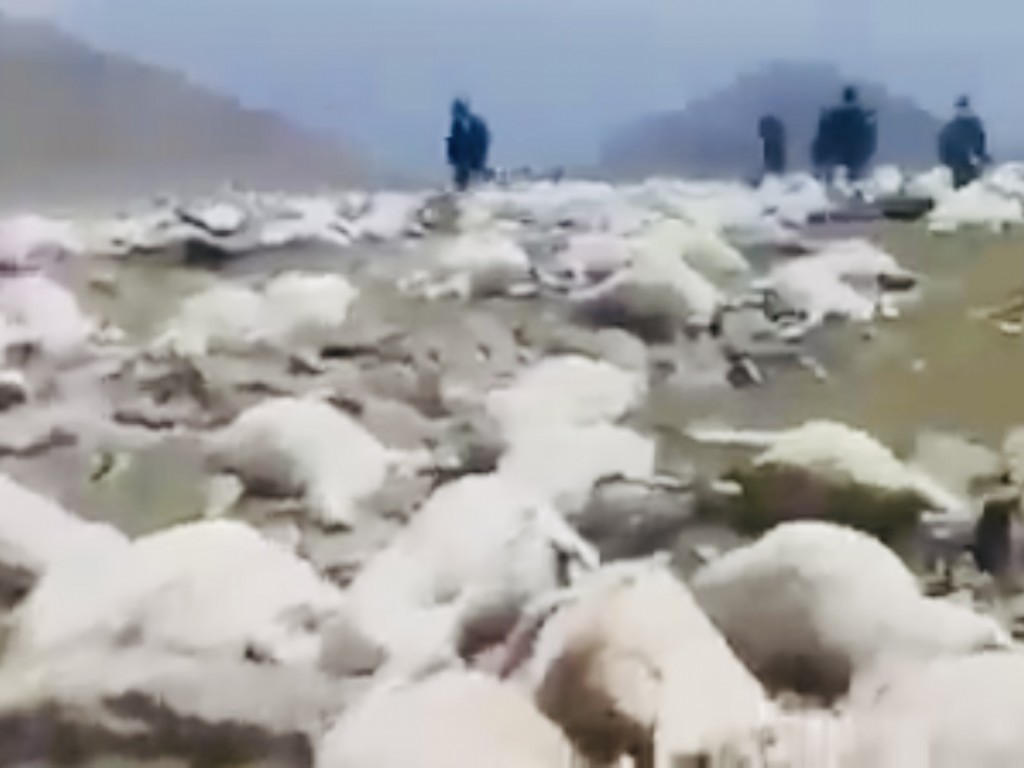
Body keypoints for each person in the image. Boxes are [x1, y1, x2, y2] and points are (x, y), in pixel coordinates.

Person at [812, 86, 876, 182]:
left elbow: (825, 132)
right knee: (856, 176)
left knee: (832, 174)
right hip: (856, 151)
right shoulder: (861, 113)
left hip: (837, 150)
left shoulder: (835, 113)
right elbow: (868, 136)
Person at [939, 96, 990, 189]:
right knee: (970, 188)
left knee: (967, 188)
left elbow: (943, 146)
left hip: (963, 165)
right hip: (960, 164)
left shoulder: (951, 127)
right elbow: (980, 145)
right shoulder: (974, 125)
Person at [446, 98, 491, 191]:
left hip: (475, 160)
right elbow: (452, 142)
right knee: (460, 185)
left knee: (476, 184)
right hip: (461, 161)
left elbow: (484, 141)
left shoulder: (477, 123)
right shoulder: (456, 125)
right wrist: (451, 157)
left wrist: (479, 157)